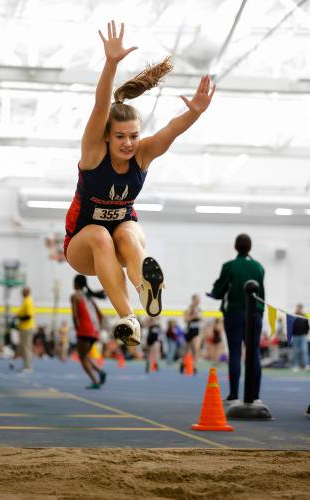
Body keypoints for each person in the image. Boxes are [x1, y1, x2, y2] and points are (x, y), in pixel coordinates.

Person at [64, 20, 215, 347]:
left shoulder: (142, 155)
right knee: (102, 233)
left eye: (134, 135)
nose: (129, 143)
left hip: (121, 237)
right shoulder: (94, 153)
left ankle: (145, 287)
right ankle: (126, 315)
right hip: (82, 244)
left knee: (128, 231)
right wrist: (111, 64)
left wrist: (195, 114)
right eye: (120, 137)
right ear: (107, 136)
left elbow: (169, 131)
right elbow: (102, 105)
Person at [208, 234, 265, 404]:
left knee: (235, 352)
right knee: (254, 353)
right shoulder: (259, 267)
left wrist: (214, 293)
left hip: (234, 313)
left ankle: (234, 394)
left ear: (235, 247)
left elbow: (220, 289)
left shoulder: (229, 266)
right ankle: (255, 396)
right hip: (256, 313)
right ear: (250, 247)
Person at [71, 274, 107, 389]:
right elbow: (101, 315)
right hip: (94, 330)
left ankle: (95, 380)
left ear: (76, 284)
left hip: (85, 329)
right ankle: (100, 371)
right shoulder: (89, 297)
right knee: (85, 355)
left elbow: (75, 315)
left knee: (82, 357)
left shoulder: (75, 296)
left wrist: (77, 329)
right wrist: (98, 329)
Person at [15, 287, 36, 372]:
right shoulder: (25, 300)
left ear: (27, 292)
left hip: (27, 327)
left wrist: (19, 317)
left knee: (27, 347)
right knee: (24, 347)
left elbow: (28, 316)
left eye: (23, 291)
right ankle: (25, 365)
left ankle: (28, 367)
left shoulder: (28, 301)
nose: (22, 293)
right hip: (24, 327)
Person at [183, 294, 203, 372]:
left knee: (196, 348)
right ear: (193, 300)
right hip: (189, 330)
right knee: (187, 350)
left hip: (196, 330)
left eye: (199, 300)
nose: (198, 301)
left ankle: (194, 366)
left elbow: (202, 318)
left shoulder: (199, 309)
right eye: (197, 299)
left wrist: (198, 316)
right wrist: (192, 316)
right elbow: (185, 319)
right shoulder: (189, 309)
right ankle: (184, 364)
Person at [291, 303, 310, 371]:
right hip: (295, 336)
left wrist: (306, 333)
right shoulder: (293, 316)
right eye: (298, 308)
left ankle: (306, 365)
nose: (299, 309)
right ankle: (296, 365)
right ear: (296, 308)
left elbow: (307, 326)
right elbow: (291, 326)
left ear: (302, 309)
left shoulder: (304, 316)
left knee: (304, 351)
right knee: (295, 351)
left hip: (303, 336)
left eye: (300, 308)